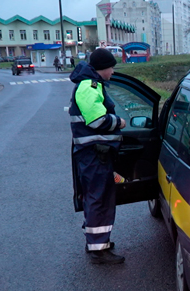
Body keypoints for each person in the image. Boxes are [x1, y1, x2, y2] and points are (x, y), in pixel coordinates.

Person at [69, 48, 127, 265]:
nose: (112, 71)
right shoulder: (89, 86)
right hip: (94, 155)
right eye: (111, 67)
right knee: (98, 199)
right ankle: (98, 250)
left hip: (95, 154)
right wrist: (118, 122)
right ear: (103, 67)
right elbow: (96, 121)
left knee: (99, 197)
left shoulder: (92, 84)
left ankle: (98, 242)